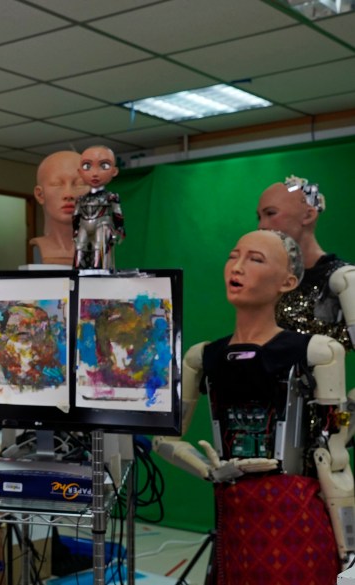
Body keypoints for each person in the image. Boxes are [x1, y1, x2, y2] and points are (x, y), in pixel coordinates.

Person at [154, 229, 354, 583]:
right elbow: (165, 437)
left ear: (287, 281)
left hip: (294, 516)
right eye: (234, 255)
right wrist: (206, 469)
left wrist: (349, 551)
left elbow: (333, 457)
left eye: (256, 259)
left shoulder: (316, 352)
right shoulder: (202, 357)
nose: (238, 266)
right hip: (232, 516)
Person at [256, 176, 354, 351]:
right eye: (259, 217)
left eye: (271, 213)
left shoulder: (342, 279)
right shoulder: (269, 278)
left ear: (308, 215)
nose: (261, 226)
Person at [29, 150, 88, 266]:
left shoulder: (98, 249)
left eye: (79, 184)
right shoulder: (42, 249)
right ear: (40, 195)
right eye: (57, 184)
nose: (69, 194)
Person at [72, 145, 125, 270]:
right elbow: (75, 216)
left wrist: (120, 229)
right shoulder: (80, 199)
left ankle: (99, 273)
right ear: (80, 172)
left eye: (104, 166)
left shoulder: (111, 197)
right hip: (83, 225)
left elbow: (118, 214)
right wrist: (74, 230)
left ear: (114, 171)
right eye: (87, 166)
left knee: (99, 251)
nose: (95, 173)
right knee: (79, 249)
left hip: (102, 224)